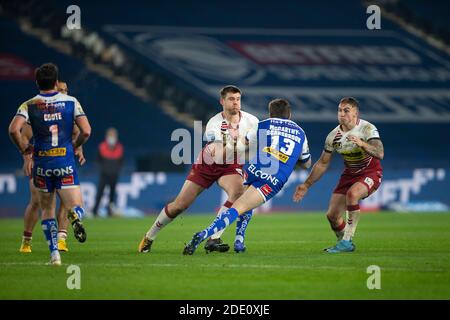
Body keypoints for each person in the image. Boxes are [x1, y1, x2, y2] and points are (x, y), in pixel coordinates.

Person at [138, 85, 259, 254]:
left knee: (238, 192)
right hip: (207, 164)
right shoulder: (214, 124)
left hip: (231, 165)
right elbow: (218, 156)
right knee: (180, 205)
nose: (236, 103)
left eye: (238, 99)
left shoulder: (252, 121)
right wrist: (237, 142)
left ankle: (213, 238)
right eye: (231, 99)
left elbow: (256, 144)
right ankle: (149, 237)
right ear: (222, 101)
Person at [182, 98, 311, 255]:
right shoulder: (300, 132)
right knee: (240, 207)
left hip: (253, 168)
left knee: (245, 202)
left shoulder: (263, 124)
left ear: (271, 114)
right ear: (289, 114)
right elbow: (306, 164)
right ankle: (204, 234)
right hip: (273, 178)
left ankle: (239, 241)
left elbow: (242, 144)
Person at [9, 63, 91, 265]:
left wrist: (24, 150)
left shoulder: (28, 105)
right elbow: (86, 131)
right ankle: (74, 215)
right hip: (64, 161)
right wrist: (76, 145)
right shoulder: (71, 102)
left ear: (37, 82)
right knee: (77, 205)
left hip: (42, 164)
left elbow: (13, 130)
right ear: (56, 82)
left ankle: (54, 254)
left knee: (46, 210)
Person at [293, 97, 384, 253]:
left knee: (352, 194)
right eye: (339, 110)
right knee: (332, 216)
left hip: (371, 172)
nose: (342, 113)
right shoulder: (333, 136)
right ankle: (344, 242)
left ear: (355, 112)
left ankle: (347, 241)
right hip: (349, 175)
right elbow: (322, 163)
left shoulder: (367, 129)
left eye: (346, 110)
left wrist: (362, 143)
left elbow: (379, 153)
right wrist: (306, 184)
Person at [19, 81, 86, 253]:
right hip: (41, 160)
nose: (63, 93)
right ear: (54, 90)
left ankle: (61, 240)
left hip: (57, 161)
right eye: (61, 90)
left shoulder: (68, 114)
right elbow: (25, 136)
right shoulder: (40, 111)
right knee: (36, 202)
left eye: (66, 90)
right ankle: (27, 240)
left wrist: (78, 149)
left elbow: (78, 133)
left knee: (65, 202)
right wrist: (27, 157)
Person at [92, 127, 124, 217]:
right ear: (107, 136)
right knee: (100, 193)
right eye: (110, 135)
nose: (112, 138)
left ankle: (110, 211)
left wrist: (116, 169)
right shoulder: (102, 147)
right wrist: (103, 169)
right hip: (104, 174)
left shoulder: (119, 148)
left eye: (113, 135)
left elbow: (121, 161)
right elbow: (98, 160)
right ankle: (95, 211)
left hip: (114, 175)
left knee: (112, 194)